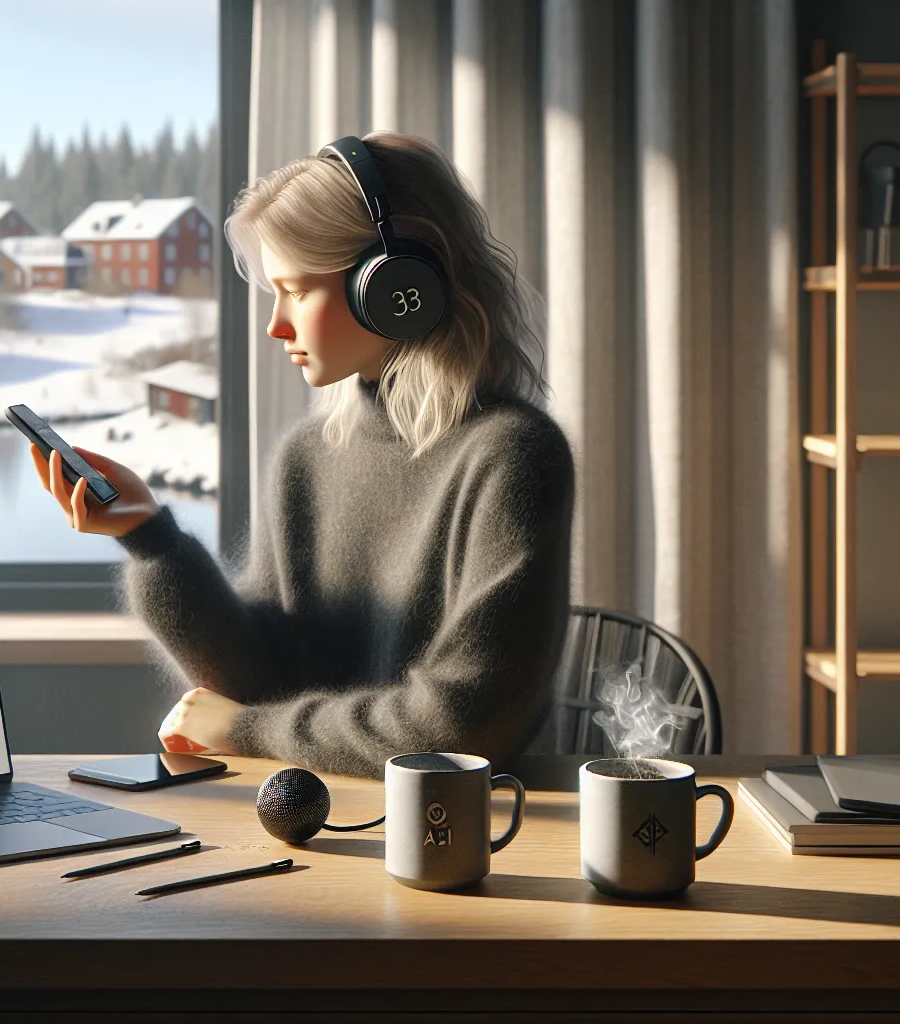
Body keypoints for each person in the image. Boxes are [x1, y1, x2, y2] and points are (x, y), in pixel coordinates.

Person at [31, 131, 574, 779]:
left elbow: (466, 723)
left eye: (299, 290)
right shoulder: (307, 456)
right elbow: (263, 676)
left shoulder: (511, 456)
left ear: (395, 286)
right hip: (310, 816)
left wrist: (247, 730)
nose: (275, 325)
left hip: (456, 835)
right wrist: (149, 538)